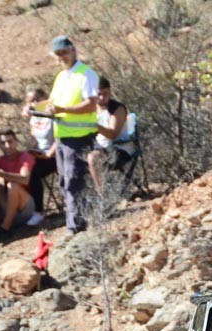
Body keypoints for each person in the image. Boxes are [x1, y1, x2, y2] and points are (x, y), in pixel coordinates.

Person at [45, 35, 99, 235]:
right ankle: (75, 221)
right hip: (62, 137)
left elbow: (91, 103)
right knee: (64, 181)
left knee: (74, 180)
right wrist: (34, 108)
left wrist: (63, 109)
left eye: (64, 53)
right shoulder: (61, 77)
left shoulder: (86, 74)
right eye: (57, 55)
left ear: (73, 50)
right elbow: (51, 103)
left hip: (80, 136)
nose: (61, 58)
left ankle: (76, 226)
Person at [0, 130, 41, 241]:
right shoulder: (0, 160)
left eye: (10, 142)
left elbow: (25, 179)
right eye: (3, 143)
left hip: (25, 206)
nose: (7, 146)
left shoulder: (25, 156)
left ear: (16, 142)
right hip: (9, 205)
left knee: (13, 185)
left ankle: (5, 228)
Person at [87, 77, 136, 192]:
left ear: (110, 91)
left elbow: (113, 134)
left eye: (105, 94)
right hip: (100, 148)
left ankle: (101, 195)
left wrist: (95, 126)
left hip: (119, 148)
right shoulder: (91, 108)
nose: (102, 98)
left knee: (92, 158)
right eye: (98, 94)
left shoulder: (117, 109)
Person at [21, 87, 58, 215]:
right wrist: (28, 151)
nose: (34, 104)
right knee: (22, 168)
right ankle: (24, 209)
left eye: (37, 99)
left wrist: (48, 155)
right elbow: (34, 138)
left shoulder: (52, 114)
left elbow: (59, 138)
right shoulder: (35, 117)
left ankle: (38, 211)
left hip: (54, 154)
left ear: (45, 98)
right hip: (40, 154)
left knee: (33, 172)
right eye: (31, 101)